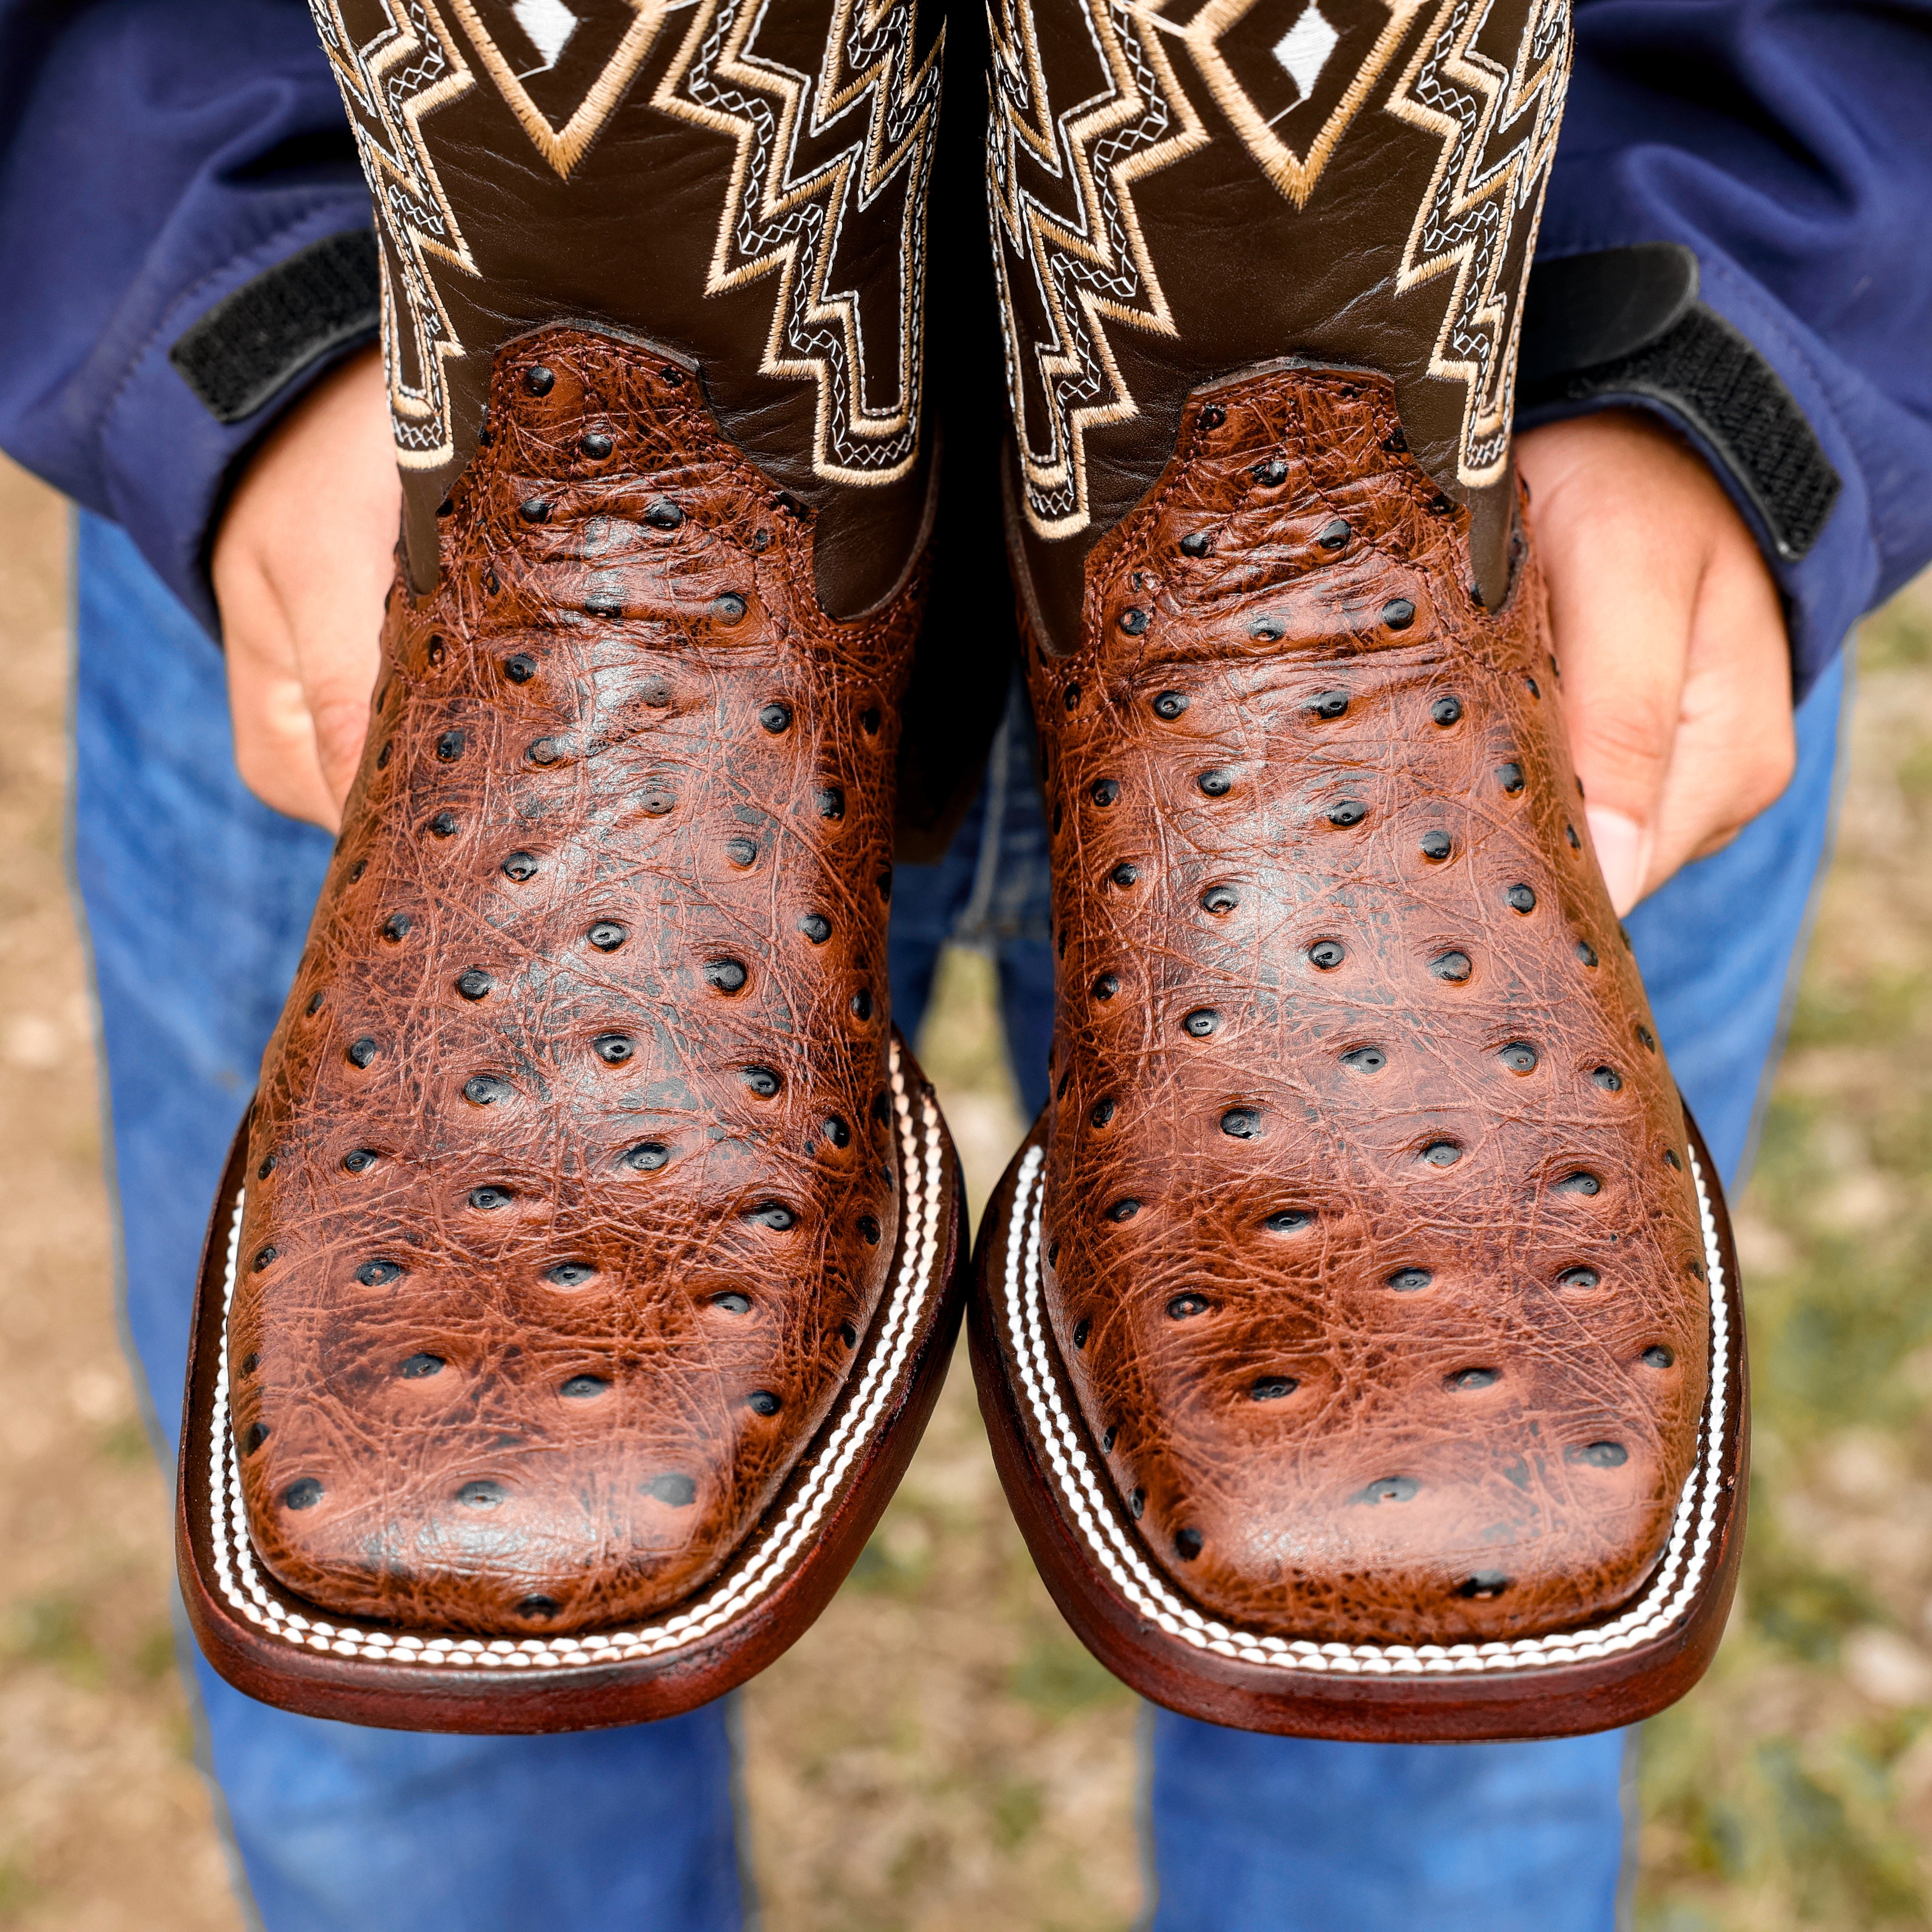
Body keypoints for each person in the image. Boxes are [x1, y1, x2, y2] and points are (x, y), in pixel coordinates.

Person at [2, 0, 1929, 1925]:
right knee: (433, 1761)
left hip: (1494, 471)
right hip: (438, 477)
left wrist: (1744, 330)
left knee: (1417, 1735)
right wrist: (240, 282)